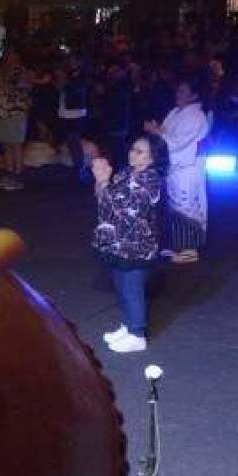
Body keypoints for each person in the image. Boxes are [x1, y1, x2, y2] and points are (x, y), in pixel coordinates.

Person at [90, 134, 166, 354]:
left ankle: (137, 334)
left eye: (140, 151)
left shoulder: (150, 180)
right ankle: (127, 325)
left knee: (132, 289)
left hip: (135, 245)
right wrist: (101, 181)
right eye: (133, 148)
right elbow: (103, 201)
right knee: (121, 287)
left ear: (152, 158)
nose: (133, 153)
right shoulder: (126, 172)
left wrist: (103, 181)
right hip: (116, 241)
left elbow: (125, 209)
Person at [146, 78, 211, 263]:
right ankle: (181, 246)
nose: (178, 94)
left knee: (187, 207)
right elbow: (166, 134)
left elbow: (177, 142)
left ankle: (191, 249)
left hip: (188, 169)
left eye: (183, 91)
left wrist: (157, 132)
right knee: (175, 206)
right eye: (178, 90)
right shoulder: (175, 112)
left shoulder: (195, 116)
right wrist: (156, 130)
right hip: (174, 167)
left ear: (194, 95)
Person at [0, 51, 30, 190]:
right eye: (8, 57)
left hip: (16, 114)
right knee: (6, 145)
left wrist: (0, 80)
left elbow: (18, 90)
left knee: (16, 145)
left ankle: (18, 177)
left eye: (12, 57)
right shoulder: (3, 72)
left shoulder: (20, 72)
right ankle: (9, 175)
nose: (9, 60)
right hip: (2, 113)